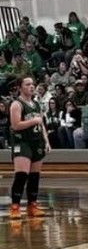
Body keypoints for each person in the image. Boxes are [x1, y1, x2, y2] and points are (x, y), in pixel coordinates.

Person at [8, 77, 50, 220]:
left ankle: (32, 205)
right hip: (22, 142)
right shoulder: (16, 104)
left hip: (36, 141)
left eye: (33, 84)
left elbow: (41, 124)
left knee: (34, 176)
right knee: (21, 175)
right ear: (20, 87)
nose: (32, 86)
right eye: (28, 84)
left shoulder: (37, 104)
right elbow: (15, 125)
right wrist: (33, 120)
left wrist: (46, 140)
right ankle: (15, 207)